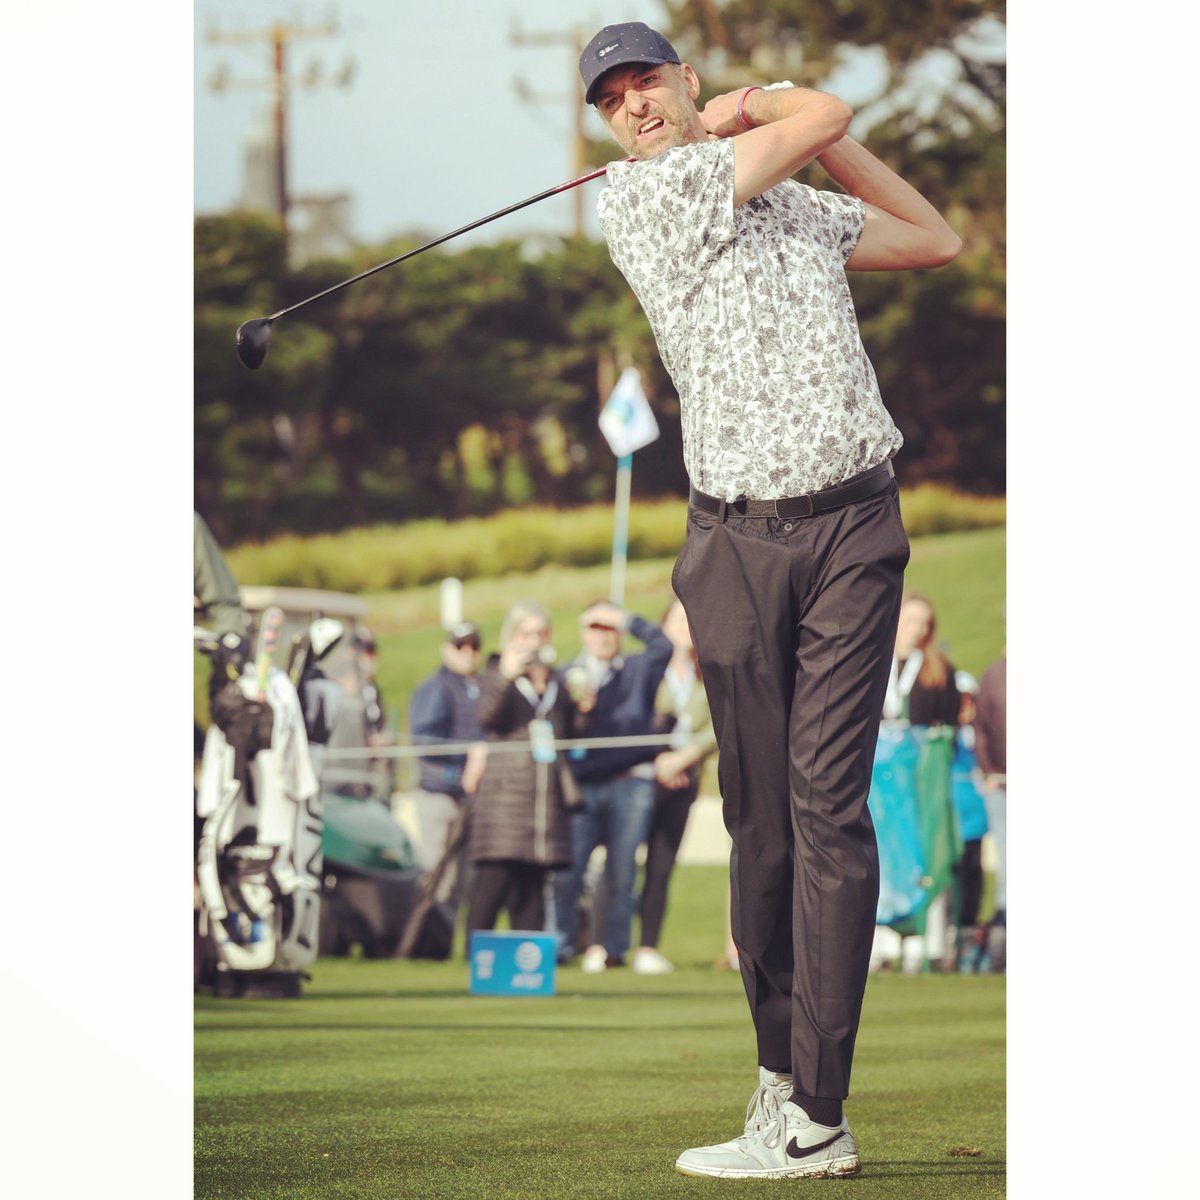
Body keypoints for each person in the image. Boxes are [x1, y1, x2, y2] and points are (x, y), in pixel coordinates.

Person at [577, 19, 961, 1180]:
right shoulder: (641, 204)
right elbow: (822, 113)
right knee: (760, 830)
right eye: (613, 99)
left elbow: (932, 237)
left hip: (852, 525)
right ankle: (777, 1081)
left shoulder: (791, 198)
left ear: (687, 80)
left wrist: (772, 116)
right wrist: (761, 113)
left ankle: (820, 1114)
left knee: (826, 810)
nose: (634, 105)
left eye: (649, 81)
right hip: (733, 548)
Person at [599, 596, 718, 975]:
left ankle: (648, 947)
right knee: (621, 864)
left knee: (661, 867)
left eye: (691, 618)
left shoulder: (711, 673)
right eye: (678, 618)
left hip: (683, 782)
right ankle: (606, 945)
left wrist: (685, 758)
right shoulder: (641, 669)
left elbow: (721, 724)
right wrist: (656, 758)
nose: (685, 626)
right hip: (639, 778)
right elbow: (627, 720)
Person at [552, 599, 671, 971]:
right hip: (583, 787)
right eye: (595, 627)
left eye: (609, 628)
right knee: (568, 872)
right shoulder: (567, 675)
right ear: (583, 632)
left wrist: (624, 617)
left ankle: (615, 950)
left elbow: (663, 645)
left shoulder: (636, 669)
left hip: (629, 786)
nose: (603, 635)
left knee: (622, 873)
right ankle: (560, 946)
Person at [465, 602, 583, 936]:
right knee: (494, 881)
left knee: (532, 888)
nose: (534, 641)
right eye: (526, 633)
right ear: (512, 636)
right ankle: (477, 959)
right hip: (506, 800)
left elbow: (571, 734)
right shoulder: (495, 673)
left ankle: (526, 968)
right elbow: (486, 717)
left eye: (541, 633)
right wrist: (506, 675)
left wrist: (584, 709)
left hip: (544, 806)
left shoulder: (558, 680)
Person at [880, 592, 962, 973]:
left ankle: (917, 937)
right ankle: (878, 938)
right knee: (880, 854)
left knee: (921, 851)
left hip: (917, 785)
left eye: (923, 623)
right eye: (910, 620)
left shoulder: (938, 672)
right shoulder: (870, 663)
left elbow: (947, 732)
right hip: (877, 787)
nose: (916, 630)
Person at [408, 622, 488, 899]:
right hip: (440, 797)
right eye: (459, 646)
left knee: (468, 886)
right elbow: (424, 742)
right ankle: (431, 941)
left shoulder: (478, 687)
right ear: (446, 649)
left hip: (471, 799)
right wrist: (471, 753)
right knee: (440, 882)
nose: (467, 652)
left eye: (473, 646)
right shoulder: (436, 688)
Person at [973, 650, 1006, 972]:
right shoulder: (995, 674)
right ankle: (1002, 945)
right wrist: (989, 770)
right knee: (1008, 871)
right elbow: (980, 729)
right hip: (1001, 785)